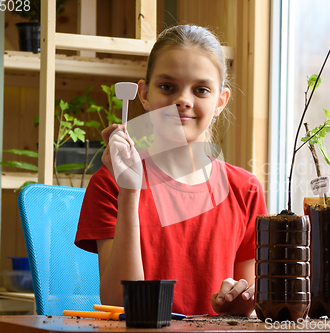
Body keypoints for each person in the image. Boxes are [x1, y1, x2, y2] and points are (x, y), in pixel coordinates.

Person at [75, 25, 267, 317]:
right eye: (167, 87)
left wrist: (239, 303)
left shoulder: (246, 190)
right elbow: (119, 304)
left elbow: (251, 299)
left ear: (220, 102)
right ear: (143, 95)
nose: (184, 100)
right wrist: (129, 192)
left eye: (201, 89)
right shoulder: (110, 183)